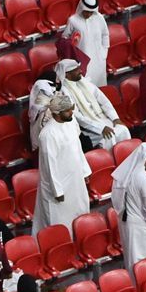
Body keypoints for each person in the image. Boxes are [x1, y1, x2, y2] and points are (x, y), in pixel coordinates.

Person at [35, 93, 93, 232]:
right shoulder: (48, 134)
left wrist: (85, 171)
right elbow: (50, 165)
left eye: (71, 109)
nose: (71, 112)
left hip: (75, 181)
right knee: (60, 222)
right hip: (59, 186)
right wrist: (57, 191)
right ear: (57, 113)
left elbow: (77, 148)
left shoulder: (71, 122)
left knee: (80, 213)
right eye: (67, 110)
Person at [57, 58, 130, 150]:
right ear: (67, 74)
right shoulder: (64, 91)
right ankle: (111, 161)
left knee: (123, 129)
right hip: (89, 128)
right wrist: (100, 128)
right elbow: (77, 116)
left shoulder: (85, 82)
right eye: (76, 70)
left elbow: (104, 101)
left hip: (103, 119)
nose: (81, 71)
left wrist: (115, 118)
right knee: (109, 136)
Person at [111, 142, 146, 271]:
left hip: (127, 225)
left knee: (132, 261)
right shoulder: (145, 178)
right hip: (143, 227)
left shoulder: (126, 175)